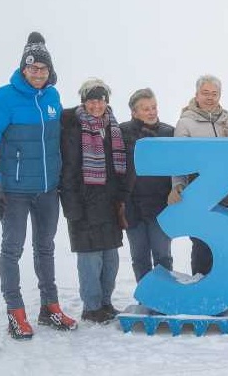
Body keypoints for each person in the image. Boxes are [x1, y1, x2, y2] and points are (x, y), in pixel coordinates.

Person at [0, 31, 77, 339]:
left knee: (45, 248)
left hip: (47, 190)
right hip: (15, 192)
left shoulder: (53, 98)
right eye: (32, 68)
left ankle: (49, 308)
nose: (38, 74)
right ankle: (15, 313)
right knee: (12, 249)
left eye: (43, 69)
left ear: (50, 71)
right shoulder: (2, 98)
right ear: (23, 68)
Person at [60, 78, 128, 324]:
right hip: (84, 203)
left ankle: (106, 303)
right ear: (84, 101)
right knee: (90, 259)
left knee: (110, 259)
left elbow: (119, 166)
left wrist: (121, 198)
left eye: (100, 99)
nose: (96, 104)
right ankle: (92, 307)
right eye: (91, 100)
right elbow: (67, 170)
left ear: (106, 101)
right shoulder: (72, 127)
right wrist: (71, 207)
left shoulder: (113, 127)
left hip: (109, 204)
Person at [167, 75, 228, 276]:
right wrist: (178, 185)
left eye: (214, 94)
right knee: (202, 244)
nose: (210, 98)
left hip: (225, 195)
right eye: (205, 93)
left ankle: (223, 287)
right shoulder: (185, 123)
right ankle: (201, 283)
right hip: (198, 194)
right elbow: (178, 160)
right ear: (196, 94)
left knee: (224, 244)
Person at [120, 88, 174, 282]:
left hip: (161, 206)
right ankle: (145, 298)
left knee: (163, 255)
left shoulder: (168, 133)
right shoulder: (122, 132)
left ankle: (166, 295)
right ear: (134, 112)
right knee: (139, 257)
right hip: (133, 206)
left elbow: (176, 168)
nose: (152, 112)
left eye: (154, 107)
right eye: (146, 109)